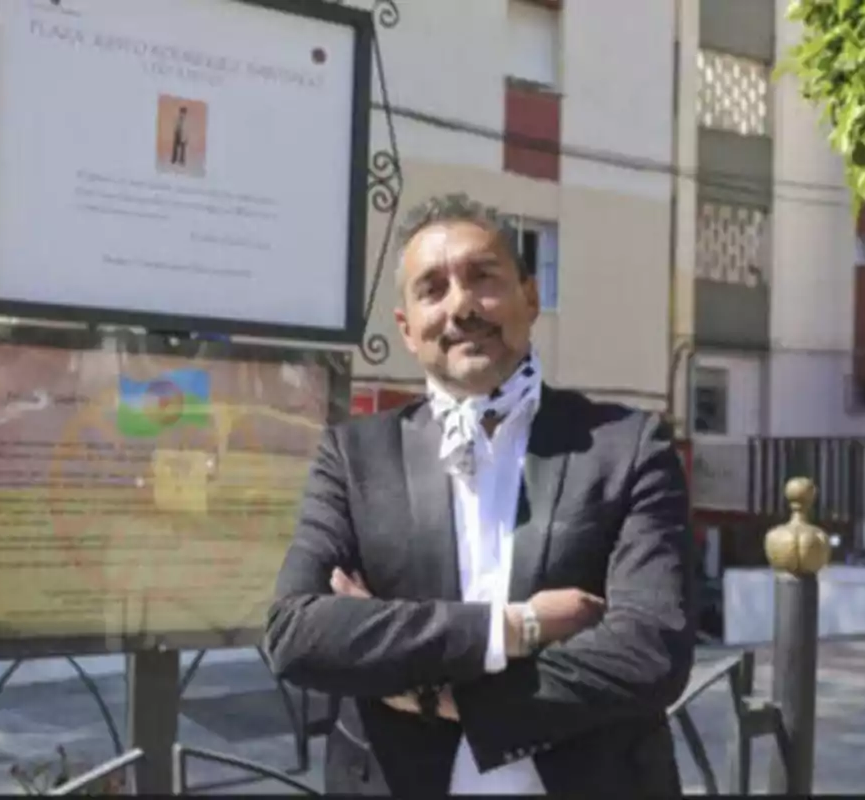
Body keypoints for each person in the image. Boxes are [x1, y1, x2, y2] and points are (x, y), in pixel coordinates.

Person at [263, 192, 696, 796]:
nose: (461, 305)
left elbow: (651, 652)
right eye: (432, 288)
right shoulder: (354, 457)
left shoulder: (627, 446)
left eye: (483, 278)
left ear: (531, 296)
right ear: (407, 329)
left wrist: (436, 696)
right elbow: (296, 633)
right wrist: (512, 628)